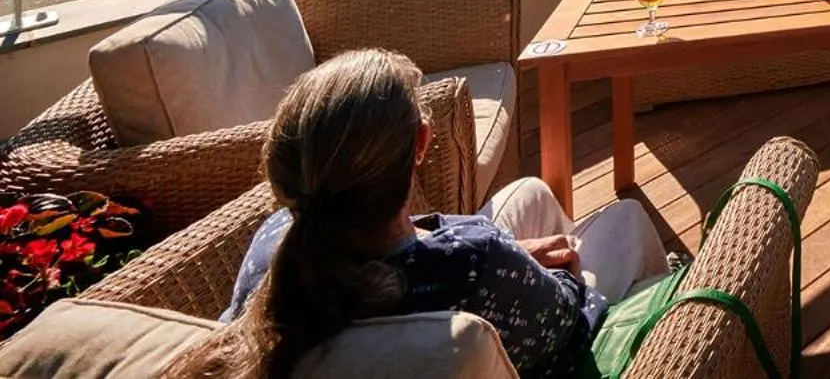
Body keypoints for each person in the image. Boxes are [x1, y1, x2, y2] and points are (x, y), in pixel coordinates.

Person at [171, 50, 670, 379]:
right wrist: (536, 268)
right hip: (539, 336)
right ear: (422, 145)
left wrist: (510, 254)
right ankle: (670, 329)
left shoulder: (274, 240)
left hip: (466, 264)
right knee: (625, 217)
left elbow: (404, 263)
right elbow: (571, 319)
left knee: (532, 192)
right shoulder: (473, 264)